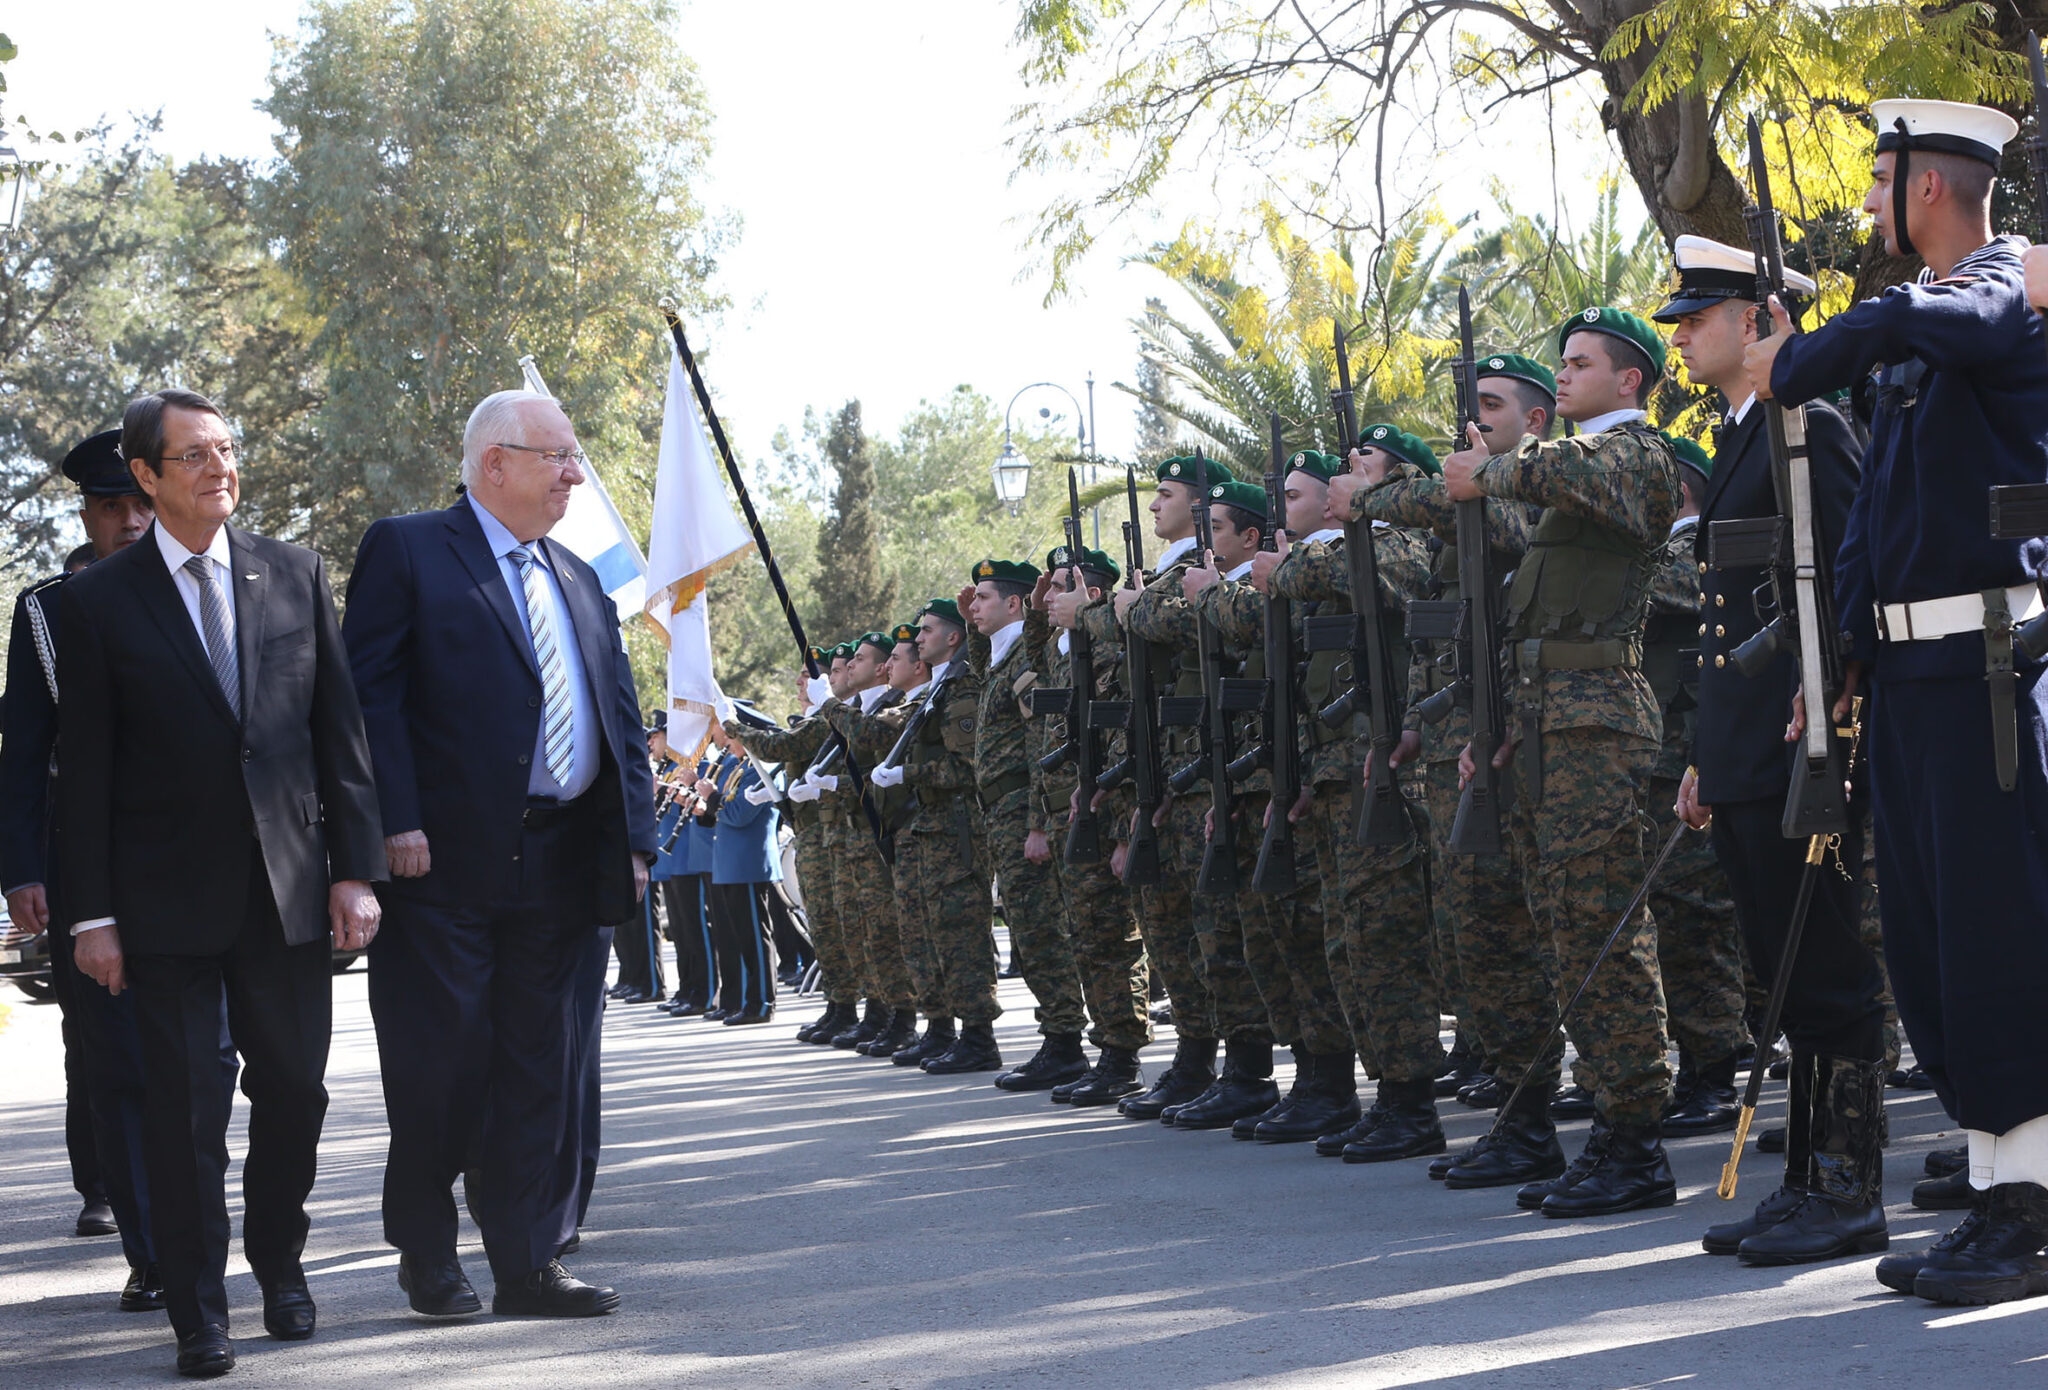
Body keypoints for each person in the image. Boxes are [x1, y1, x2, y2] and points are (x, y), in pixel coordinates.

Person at [1758, 99, 2048, 1304]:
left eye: (1880, 182)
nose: (1869, 205)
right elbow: (1879, 519)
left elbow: (1899, 328)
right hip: (1916, 676)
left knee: (1992, 946)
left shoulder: (1988, 292)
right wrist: (1842, 664)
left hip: (1988, 668)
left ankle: (2023, 1207)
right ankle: (1991, 1189)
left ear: (1930, 185)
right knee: (1930, 951)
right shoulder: (1918, 341)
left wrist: (1805, 347)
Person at [56, 389, 386, 1377]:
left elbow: (342, 738)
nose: (219, 468)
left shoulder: (293, 575)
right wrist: (91, 914)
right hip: (160, 907)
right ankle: (199, 1311)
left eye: (227, 450)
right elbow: (86, 772)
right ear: (147, 477)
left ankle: (279, 1262)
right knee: (183, 1109)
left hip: (286, 893)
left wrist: (356, 870)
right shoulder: (95, 605)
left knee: (295, 1090)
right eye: (193, 455)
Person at [344, 388, 654, 1320]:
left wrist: (633, 842)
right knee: (441, 1067)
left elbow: (621, 724)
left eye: (575, 458)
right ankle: (428, 1254)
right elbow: (372, 701)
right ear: (494, 464)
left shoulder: (580, 578)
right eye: (558, 456)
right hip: (441, 867)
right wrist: (391, 821)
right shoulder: (407, 549)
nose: (573, 474)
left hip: (564, 868)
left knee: (541, 1068)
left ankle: (529, 1262)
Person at [1657, 234, 1889, 1266]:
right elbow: (1728, 614)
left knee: (1826, 966)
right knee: (1781, 971)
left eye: (1698, 317)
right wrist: (1707, 750)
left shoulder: (1810, 423)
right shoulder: (1742, 435)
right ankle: (1801, 1179)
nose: (1684, 336)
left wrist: (1830, 688)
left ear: (1758, 320)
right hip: (1747, 746)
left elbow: (1849, 569)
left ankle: (1847, 1183)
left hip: (1803, 742)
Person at [0, 428, 161, 1306]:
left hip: (188, 859)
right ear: (89, 516)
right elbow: (22, 753)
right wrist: (22, 869)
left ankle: (190, 1227)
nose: (130, 522)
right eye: (111, 509)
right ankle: (140, 1235)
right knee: (107, 1049)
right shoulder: (46, 611)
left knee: (197, 1059)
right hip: (82, 858)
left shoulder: (202, 587)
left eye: (141, 503)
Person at [697, 709, 783, 1025]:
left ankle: (761, 1003)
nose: (728, 742)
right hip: (731, 863)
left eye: (733, 736)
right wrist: (706, 804)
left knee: (754, 936)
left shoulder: (761, 768)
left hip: (749, 862)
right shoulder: (740, 767)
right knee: (740, 936)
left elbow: (738, 814)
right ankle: (748, 1000)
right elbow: (723, 812)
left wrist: (712, 797)